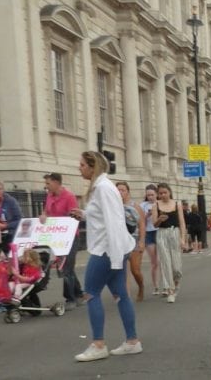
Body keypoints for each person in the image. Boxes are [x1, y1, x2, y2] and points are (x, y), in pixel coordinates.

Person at [70, 151, 141, 362]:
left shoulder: (102, 187)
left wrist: (117, 257)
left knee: (90, 293)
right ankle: (132, 341)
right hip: (112, 249)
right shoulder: (103, 186)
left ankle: (98, 344)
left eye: (82, 165)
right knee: (121, 295)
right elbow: (103, 216)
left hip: (106, 250)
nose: (79, 168)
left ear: (92, 167)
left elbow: (113, 221)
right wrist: (83, 214)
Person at [40, 172, 84, 309]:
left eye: (48, 183)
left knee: (66, 266)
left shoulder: (69, 197)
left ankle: (70, 298)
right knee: (66, 267)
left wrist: (61, 221)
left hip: (70, 236)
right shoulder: (49, 196)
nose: (46, 186)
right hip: (56, 236)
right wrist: (43, 216)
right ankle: (79, 294)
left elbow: (74, 215)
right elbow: (46, 211)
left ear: (56, 183)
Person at [151, 183, 185, 303]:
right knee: (165, 263)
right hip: (162, 234)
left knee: (177, 267)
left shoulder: (177, 204)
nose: (163, 195)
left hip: (174, 233)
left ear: (169, 192)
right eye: (160, 193)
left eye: (165, 192)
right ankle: (170, 291)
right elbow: (154, 224)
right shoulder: (155, 205)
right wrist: (159, 219)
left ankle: (176, 284)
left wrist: (183, 239)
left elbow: (182, 223)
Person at [116, 181, 146, 302]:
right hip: (120, 240)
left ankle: (141, 286)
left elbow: (142, 224)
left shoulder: (135, 206)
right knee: (122, 270)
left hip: (134, 239)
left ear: (128, 192)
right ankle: (126, 296)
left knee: (135, 270)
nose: (120, 192)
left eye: (122, 190)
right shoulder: (114, 205)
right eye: (118, 190)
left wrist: (142, 241)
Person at [139, 184, 160, 295]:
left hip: (159, 232)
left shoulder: (160, 204)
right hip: (148, 233)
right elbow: (140, 221)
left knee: (161, 261)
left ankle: (166, 285)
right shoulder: (143, 205)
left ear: (156, 194)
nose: (150, 197)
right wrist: (148, 215)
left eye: (152, 194)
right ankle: (155, 286)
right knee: (154, 262)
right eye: (148, 195)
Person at [0, 180, 22, 255]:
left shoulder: (11, 201)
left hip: (10, 234)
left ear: (3, 190)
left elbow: (20, 220)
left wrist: (6, 226)